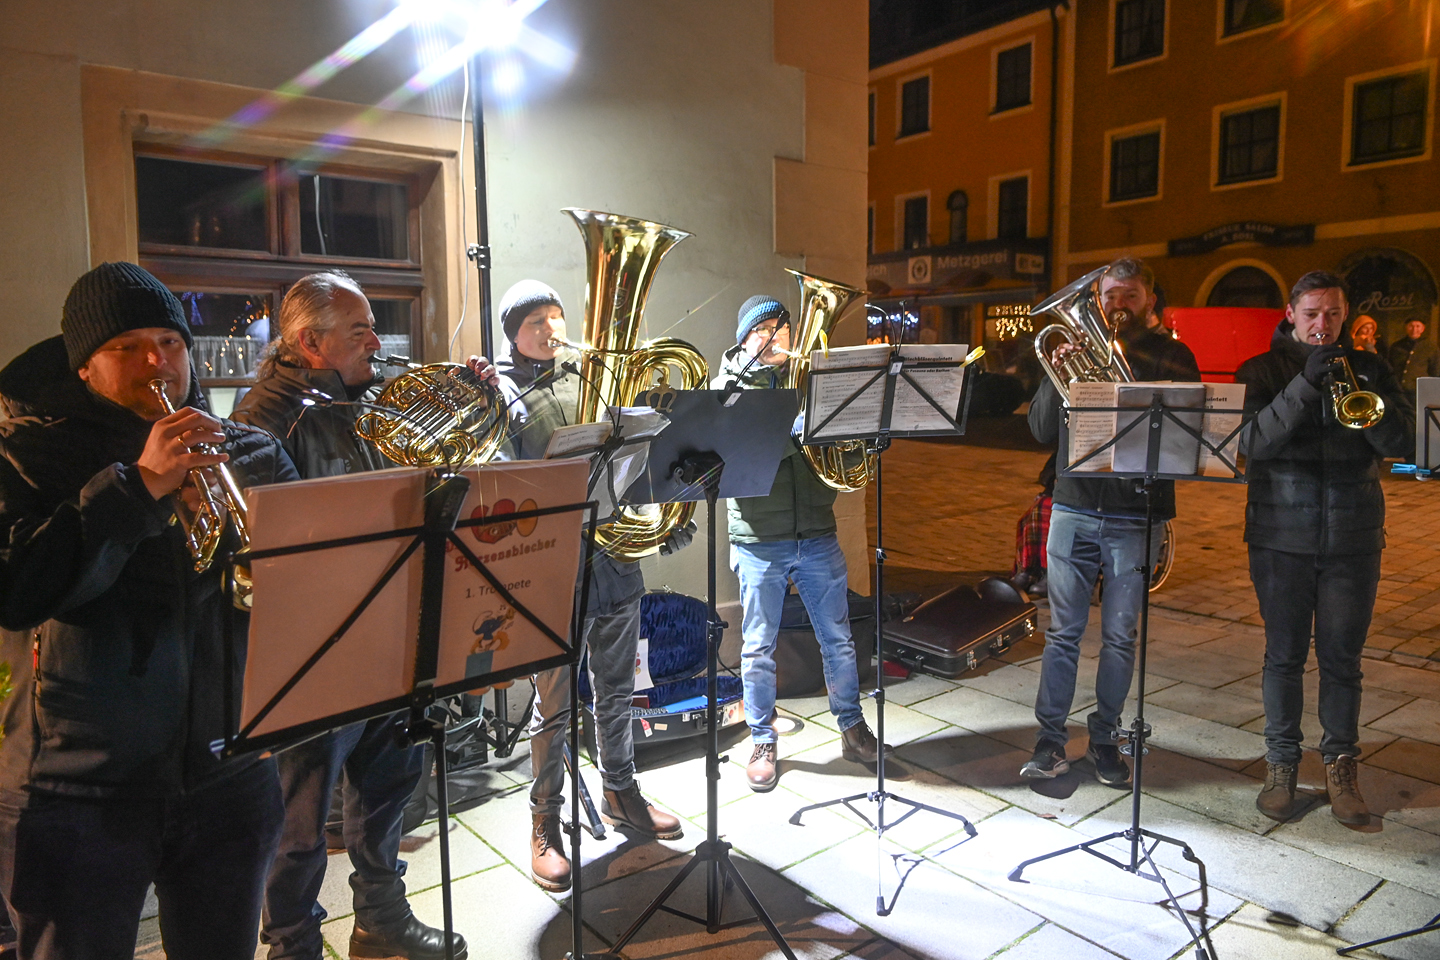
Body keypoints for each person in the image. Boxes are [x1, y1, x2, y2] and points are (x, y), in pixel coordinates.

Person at [0, 262, 299, 959]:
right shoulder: (27, 455)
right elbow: (19, 592)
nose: (155, 361)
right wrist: (136, 490)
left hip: (229, 769)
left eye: (169, 341)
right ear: (83, 368)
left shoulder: (246, 450)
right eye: (125, 346)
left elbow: (295, 590)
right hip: (81, 786)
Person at [232, 272, 472, 960]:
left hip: (385, 631)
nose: (377, 340)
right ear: (311, 342)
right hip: (315, 650)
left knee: (386, 789)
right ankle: (293, 944)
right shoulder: (266, 419)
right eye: (360, 329)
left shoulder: (360, 401)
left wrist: (470, 404)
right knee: (300, 821)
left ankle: (379, 922)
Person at [482, 279, 684, 893]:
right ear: (513, 333)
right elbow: (500, 482)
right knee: (554, 706)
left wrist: (668, 514)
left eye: (556, 316)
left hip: (616, 564)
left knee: (620, 691)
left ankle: (621, 791)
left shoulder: (594, 380)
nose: (550, 328)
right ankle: (545, 822)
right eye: (535, 321)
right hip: (554, 572)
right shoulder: (504, 392)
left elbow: (637, 462)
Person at [1236, 271, 1412, 825]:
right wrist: (1305, 385)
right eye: (1311, 314)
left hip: (1353, 535)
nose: (1321, 324)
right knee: (1283, 656)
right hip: (1279, 536)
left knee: (1343, 659)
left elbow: (1402, 442)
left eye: (1332, 314)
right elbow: (1252, 444)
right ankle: (1282, 764)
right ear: (1290, 314)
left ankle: (1340, 765)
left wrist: (1370, 400)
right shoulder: (1260, 371)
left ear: (1344, 315)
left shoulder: (1372, 368)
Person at [1022, 257, 1200, 786]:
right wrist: (1060, 375)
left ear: (1148, 300)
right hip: (1074, 505)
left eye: (1129, 295)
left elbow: (1184, 438)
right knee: (1063, 633)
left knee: (1121, 635)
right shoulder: (1070, 352)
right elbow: (1036, 430)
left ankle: (1105, 737)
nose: (1117, 305)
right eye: (1109, 296)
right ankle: (1050, 739)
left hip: (1133, 514)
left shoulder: (1173, 354)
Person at [715, 295, 886, 794]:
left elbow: (838, 444)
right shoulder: (726, 390)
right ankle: (763, 739)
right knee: (758, 645)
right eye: (762, 329)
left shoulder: (813, 379)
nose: (774, 338)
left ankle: (852, 727)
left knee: (838, 638)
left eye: (782, 329)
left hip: (816, 529)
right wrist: (797, 431)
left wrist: (855, 435)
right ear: (744, 338)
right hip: (759, 536)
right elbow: (747, 454)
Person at [1387, 318, 1438, 393]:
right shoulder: (1397, 346)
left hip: (1420, 390)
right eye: (1411, 326)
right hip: (1398, 389)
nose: (1414, 329)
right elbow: (1390, 366)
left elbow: (1435, 370)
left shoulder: (1430, 347)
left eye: (1418, 326)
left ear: (1423, 329)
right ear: (1406, 327)